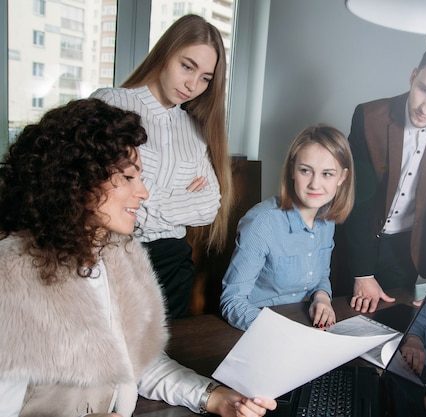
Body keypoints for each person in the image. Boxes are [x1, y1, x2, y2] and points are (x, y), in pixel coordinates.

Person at [0, 98, 276, 417]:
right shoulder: (11, 281)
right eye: (129, 177)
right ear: (78, 180)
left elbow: (136, 363)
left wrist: (212, 396)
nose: (144, 192)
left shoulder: (119, 255)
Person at [91, 14, 233, 318]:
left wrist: (141, 201)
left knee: (166, 358)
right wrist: (181, 198)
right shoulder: (112, 103)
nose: (193, 85)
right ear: (166, 53)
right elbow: (94, 189)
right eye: (187, 66)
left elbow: (209, 205)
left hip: (173, 261)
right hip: (115, 254)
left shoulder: (195, 130)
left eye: (206, 77)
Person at [337, 43, 426, 322]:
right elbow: (358, 197)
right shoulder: (368, 117)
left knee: (396, 331)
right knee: (342, 326)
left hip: (406, 250)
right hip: (356, 242)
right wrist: (362, 272)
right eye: (424, 90)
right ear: (413, 76)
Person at [220, 125, 355, 331]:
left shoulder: (327, 219)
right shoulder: (262, 222)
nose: (315, 184)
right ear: (292, 169)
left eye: (327, 174)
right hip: (259, 330)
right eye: (305, 171)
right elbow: (232, 300)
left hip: (304, 325)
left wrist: (321, 298)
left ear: (342, 178)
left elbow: (320, 276)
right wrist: (282, 331)